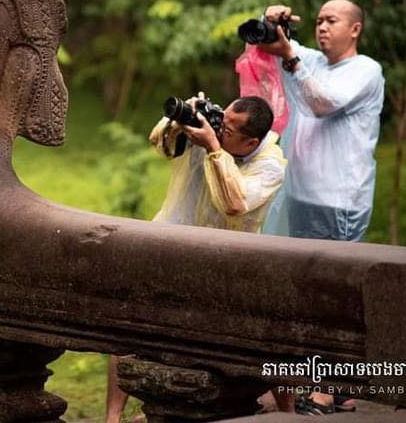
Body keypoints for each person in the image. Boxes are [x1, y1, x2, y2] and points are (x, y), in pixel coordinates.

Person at [105, 95, 289, 422]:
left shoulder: (271, 163)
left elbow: (235, 203)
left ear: (250, 142)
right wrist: (180, 120)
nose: (219, 129)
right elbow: (160, 146)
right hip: (171, 242)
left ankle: (289, 413)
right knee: (129, 327)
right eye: (222, 119)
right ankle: (112, 417)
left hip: (230, 263)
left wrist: (214, 149)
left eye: (228, 130)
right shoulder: (206, 134)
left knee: (268, 339)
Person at [258, 0, 384, 243]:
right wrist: (269, 19)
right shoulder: (312, 61)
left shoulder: (366, 70)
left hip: (337, 203)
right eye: (319, 21)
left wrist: (291, 58)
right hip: (298, 195)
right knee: (295, 265)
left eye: (331, 21)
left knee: (333, 266)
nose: (322, 27)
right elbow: (267, 44)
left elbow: (322, 103)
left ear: (355, 29)